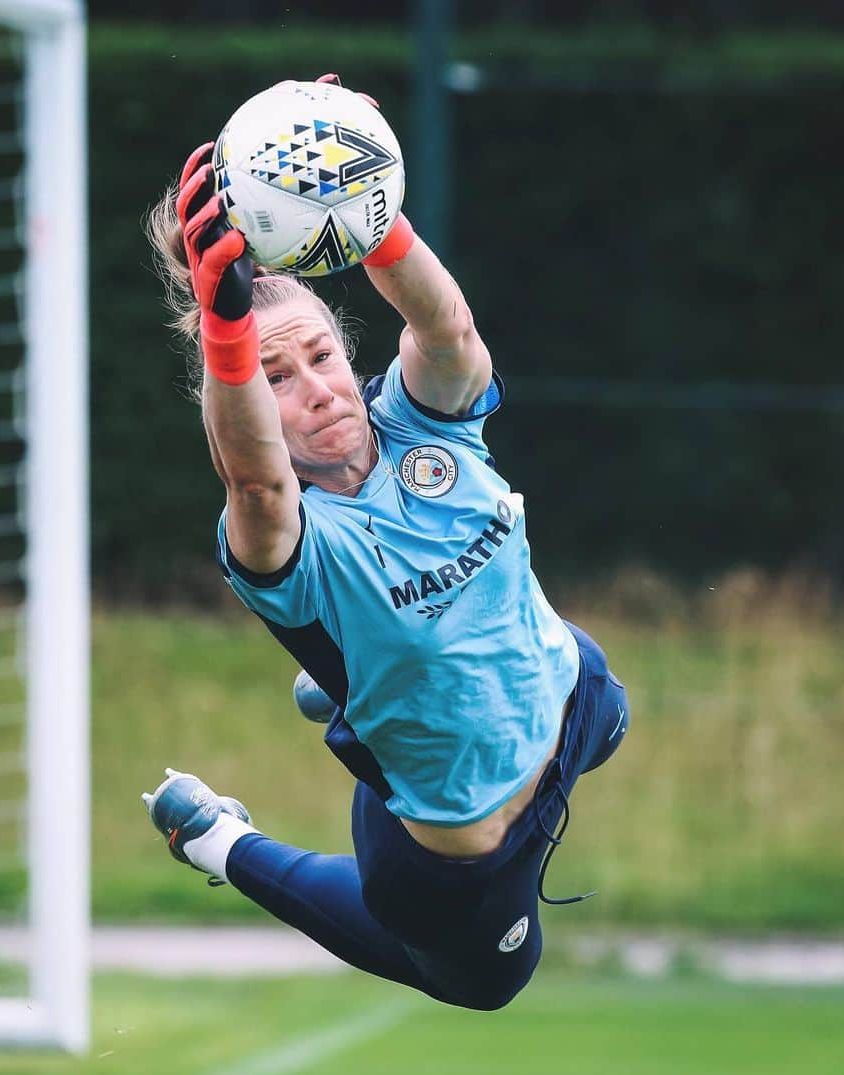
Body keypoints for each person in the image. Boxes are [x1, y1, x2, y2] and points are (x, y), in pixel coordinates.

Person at [142, 80, 630, 1011]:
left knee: (610, 714)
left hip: (574, 702)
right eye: (277, 378)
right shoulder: (287, 534)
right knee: (486, 981)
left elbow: (445, 328)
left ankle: (354, 686)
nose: (315, 388)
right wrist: (229, 330)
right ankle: (218, 842)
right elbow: (253, 477)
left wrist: (370, 207)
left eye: (320, 357)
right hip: (454, 855)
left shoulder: (422, 426)